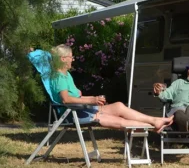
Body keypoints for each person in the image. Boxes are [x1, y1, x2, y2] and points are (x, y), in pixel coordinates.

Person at [32, 45, 173, 133]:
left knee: (118, 106)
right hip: (72, 114)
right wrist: (92, 100)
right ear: (63, 59)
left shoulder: (66, 75)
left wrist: (95, 99)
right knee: (116, 120)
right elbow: (66, 99)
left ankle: (154, 121)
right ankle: (153, 125)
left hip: (80, 109)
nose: (72, 59)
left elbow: (78, 97)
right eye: (70, 57)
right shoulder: (58, 77)